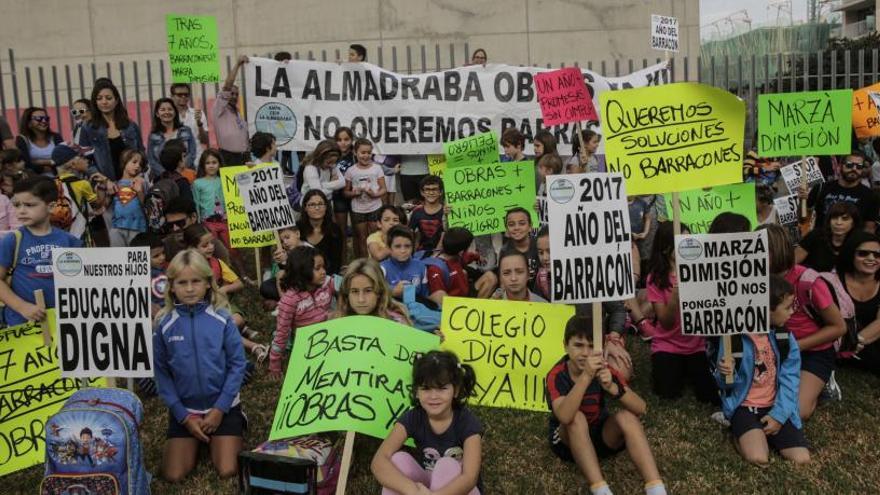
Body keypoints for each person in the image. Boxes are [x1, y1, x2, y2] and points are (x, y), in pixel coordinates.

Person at [152, 249, 248, 482]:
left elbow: (237, 364)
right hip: (186, 410)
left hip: (222, 407)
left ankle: (237, 420)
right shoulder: (164, 324)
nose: (189, 288)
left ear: (207, 283)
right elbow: (162, 374)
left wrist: (219, 410)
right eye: (182, 282)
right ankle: (193, 432)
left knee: (228, 470)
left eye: (196, 281)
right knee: (173, 475)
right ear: (171, 286)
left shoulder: (222, 318)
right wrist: (183, 416)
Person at [546, 314, 666, 495]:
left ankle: (656, 488)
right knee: (576, 418)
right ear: (565, 345)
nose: (585, 353)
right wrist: (586, 376)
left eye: (591, 346)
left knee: (627, 417)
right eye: (578, 345)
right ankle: (600, 489)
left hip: (600, 435)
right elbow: (564, 416)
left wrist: (613, 388)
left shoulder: (604, 369)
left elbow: (641, 408)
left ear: (601, 349)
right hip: (567, 441)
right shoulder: (556, 374)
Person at [710, 274, 810, 465]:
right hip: (745, 406)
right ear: (767, 309)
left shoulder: (785, 338)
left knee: (802, 459)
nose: (792, 312)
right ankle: (740, 431)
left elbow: (791, 380)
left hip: (775, 404)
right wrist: (725, 372)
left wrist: (779, 415)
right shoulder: (733, 337)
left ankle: (762, 434)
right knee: (758, 457)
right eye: (787, 307)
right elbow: (725, 385)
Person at [758, 224, 846, 420]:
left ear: (778, 251)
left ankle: (823, 383)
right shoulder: (754, 279)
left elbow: (839, 327)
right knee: (762, 401)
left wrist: (796, 346)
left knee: (797, 410)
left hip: (813, 351)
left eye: (762, 250)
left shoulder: (808, 281)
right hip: (771, 348)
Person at [372, 350, 482, 495]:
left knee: (447, 465)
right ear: (416, 392)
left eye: (442, 388)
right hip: (427, 488)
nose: (433, 396)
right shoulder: (414, 418)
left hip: (462, 490)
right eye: (426, 388)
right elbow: (378, 461)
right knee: (398, 461)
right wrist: (411, 490)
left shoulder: (467, 422)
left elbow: (469, 478)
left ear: (455, 390)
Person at [645, 222, 718, 404]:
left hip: (697, 346)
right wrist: (675, 296)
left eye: (689, 239)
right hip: (667, 344)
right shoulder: (655, 278)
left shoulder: (703, 270)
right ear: (665, 248)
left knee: (708, 396)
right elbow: (666, 322)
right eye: (681, 241)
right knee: (667, 393)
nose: (687, 244)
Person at [0, 176, 82, 326]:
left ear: (51, 207)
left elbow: (80, 281)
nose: (21, 211)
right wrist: (22, 307)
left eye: (29, 205)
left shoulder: (70, 241)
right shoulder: (12, 240)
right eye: (17, 205)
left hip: (62, 322)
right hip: (22, 323)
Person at [268, 245, 334, 380]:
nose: (323, 272)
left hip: (331, 336)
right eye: (317, 268)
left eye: (323, 267)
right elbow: (282, 333)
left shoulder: (328, 283)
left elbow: (349, 285)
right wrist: (274, 364)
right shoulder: (290, 300)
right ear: (302, 271)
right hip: (307, 345)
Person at [80, 79, 144, 181]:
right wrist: (103, 180)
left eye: (108, 98)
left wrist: (138, 176)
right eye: (99, 98)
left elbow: (141, 153)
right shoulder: (88, 128)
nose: (104, 102)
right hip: (104, 184)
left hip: (131, 182)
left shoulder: (130, 126)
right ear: (95, 102)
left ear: (116, 100)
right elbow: (85, 160)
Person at [837, 231, 880, 373]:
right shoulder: (834, 280)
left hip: (868, 340)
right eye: (863, 253)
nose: (871, 258)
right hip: (838, 339)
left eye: (877, 255)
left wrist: (855, 342)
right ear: (851, 255)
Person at [805, 151, 879, 232]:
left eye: (859, 166)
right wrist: (802, 200)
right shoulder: (821, 188)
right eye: (849, 165)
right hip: (822, 238)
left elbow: (869, 229)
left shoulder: (870, 196)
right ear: (840, 166)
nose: (854, 169)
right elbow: (803, 219)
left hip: (853, 240)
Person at [52, 144, 105, 242]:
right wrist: (102, 185)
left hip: (61, 236)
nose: (87, 161)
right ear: (73, 164)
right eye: (83, 157)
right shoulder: (82, 184)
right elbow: (98, 204)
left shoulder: (51, 184)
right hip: (80, 234)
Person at [334, 257, 410, 324]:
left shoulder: (397, 323)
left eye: (368, 291)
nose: (361, 300)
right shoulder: (335, 323)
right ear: (346, 294)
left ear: (379, 292)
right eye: (355, 291)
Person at [344, 138, 386, 259]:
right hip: (358, 209)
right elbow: (345, 192)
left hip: (375, 207)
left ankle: (376, 263)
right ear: (355, 152)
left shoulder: (377, 168)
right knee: (362, 238)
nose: (366, 156)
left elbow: (383, 189)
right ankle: (364, 263)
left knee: (375, 237)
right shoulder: (351, 171)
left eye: (369, 153)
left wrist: (375, 195)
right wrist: (354, 193)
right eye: (363, 152)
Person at [381, 225, 441, 307]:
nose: (403, 251)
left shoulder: (420, 266)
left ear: (413, 247)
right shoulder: (382, 269)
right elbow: (375, 296)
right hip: (392, 310)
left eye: (407, 246)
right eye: (397, 246)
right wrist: (392, 291)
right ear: (389, 248)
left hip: (417, 310)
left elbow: (424, 296)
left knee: (440, 295)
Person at [795, 202, 861, 272]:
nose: (838, 222)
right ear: (829, 221)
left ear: (853, 223)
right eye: (834, 218)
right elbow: (792, 262)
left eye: (844, 219)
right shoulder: (816, 236)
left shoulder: (859, 243)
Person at [105, 148, 147, 247]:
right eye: (134, 162)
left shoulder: (141, 182)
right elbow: (105, 206)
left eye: (140, 164)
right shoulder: (115, 184)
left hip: (138, 228)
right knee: (118, 255)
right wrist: (107, 192)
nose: (138, 166)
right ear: (124, 162)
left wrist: (139, 191)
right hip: (117, 228)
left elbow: (145, 205)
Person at [213, 55, 250, 166]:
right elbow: (227, 86)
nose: (234, 96)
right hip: (228, 157)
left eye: (236, 94)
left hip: (243, 157)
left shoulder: (237, 113)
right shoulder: (219, 108)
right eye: (231, 93)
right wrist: (238, 64)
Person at [147, 97, 197, 179]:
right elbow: (151, 159)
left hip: (185, 176)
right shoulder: (153, 136)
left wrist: (180, 171)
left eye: (170, 109)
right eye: (162, 110)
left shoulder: (186, 130)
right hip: (162, 178)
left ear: (175, 112)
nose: (167, 112)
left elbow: (192, 153)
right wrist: (166, 174)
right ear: (157, 114)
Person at [298, 190, 344, 275]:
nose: (317, 208)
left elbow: (336, 263)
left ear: (326, 207)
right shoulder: (297, 229)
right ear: (305, 208)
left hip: (326, 276)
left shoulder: (334, 230)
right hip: (301, 275)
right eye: (312, 204)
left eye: (320, 204)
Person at [193, 149, 230, 249]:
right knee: (214, 247)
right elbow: (196, 203)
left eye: (214, 162)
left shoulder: (225, 180)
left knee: (231, 248)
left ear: (219, 163)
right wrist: (198, 223)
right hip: (207, 222)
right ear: (203, 165)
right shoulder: (197, 183)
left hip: (225, 220)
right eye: (208, 163)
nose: (211, 166)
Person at [16, 107, 63, 176]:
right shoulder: (22, 139)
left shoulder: (56, 137)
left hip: (58, 179)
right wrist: (45, 167)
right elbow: (25, 164)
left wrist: (40, 162)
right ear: (29, 122)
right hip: (34, 180)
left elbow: (64, 159)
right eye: (38, 118)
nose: (44, 121)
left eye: (46, 118)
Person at [499, 208, 540, 287]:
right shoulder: (504, 251)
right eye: (511, 224)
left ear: (530, 226)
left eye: (522, 223)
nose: (516, 228)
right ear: (507, 229)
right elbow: (503, 284)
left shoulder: (539, 245)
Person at [169, 83, 209, 162]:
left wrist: (199, 124)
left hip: (197, 159)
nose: (183, 97)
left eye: (186, 94)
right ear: (172, 96)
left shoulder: (198, 113)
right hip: (175, 161)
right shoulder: (168, 115)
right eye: (179, 95)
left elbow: (205, 140)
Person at [131, 231, 167, 318]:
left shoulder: (164, 269)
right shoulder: (151, 277)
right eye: (156, 256)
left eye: (163, 253)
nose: (162, 257)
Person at [409, 175, 444, 254]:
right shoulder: (417, 211)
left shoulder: (446, 211)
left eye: (434, 189)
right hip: (421, 253)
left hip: (443, 253)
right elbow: (410, 234)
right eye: (427, 189)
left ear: (441, 192)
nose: (431, 193)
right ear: (422, 192)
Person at [332, 127, 356, 236]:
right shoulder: (332, 156)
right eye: (339, 140)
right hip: (338, 197)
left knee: (357, 231)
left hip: (355, 196)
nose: (343, 143)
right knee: (341, 232)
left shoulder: (356, 155)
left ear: (351, 140)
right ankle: (343, 248)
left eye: (346, 139)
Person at [158, 139, 194, 204]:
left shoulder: (158, 179)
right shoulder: (182, 182)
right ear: (179, 161)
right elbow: (189, 205)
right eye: (184, 156)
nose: (186, 159)